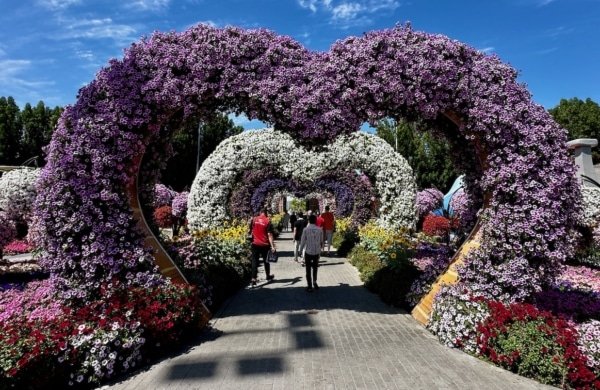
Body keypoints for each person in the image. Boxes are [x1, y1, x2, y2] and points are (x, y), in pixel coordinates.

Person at [249, 207, 276, 287]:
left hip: (255, 244)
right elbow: (269, 234)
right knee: (266, 261)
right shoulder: (267, 221)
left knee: (254, 262)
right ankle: (268, 276)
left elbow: (249, 230)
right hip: (264, 245)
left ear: (260, 212)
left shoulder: (254, 219)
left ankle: (253, 279)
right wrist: (272, 246)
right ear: (265, 212)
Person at [299, 214, 324, 292]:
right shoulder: (320, 230)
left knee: (308, 269)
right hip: (316, 251)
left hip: (308, 251)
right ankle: (315, 282)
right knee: (315, 268)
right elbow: (321, 241)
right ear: (316, 221)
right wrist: (321, 250)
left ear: (309, 221)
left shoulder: (305, 230)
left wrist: (300, 250)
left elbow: (302, 241)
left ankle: (309, 286)